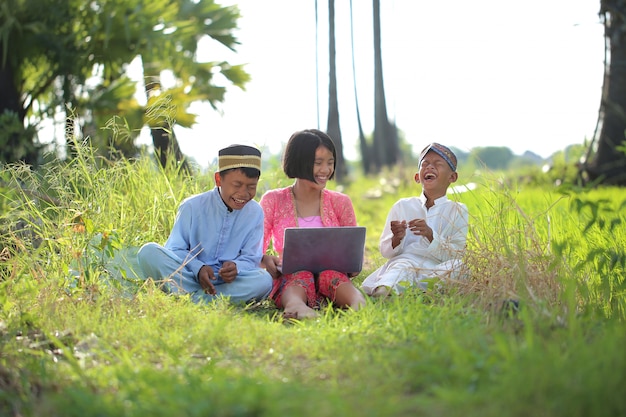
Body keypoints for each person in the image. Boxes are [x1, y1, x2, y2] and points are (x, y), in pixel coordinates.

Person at [137, 144, 273, 304]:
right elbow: (174, 249)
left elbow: (251, 258)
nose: (244, 193)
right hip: (189, 276)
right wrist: (198, 268)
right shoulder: (192, 206)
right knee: (148, 252)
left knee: (264, 280)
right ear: (218, 179)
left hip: (227, 283)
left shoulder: (255, 212)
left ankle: (192, 299)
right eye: (237, 185)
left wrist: (236, 267)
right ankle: (209, 300)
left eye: (251, 187)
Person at [260, 129, 366, 319]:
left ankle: (359, 305)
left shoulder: (340, 202)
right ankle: (295, 307)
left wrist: (351, 264)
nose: (325, 170)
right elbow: (255, 247)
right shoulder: (273, 200)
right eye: (318, 163)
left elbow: (353, 255)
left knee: (332, 274)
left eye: (330, 162)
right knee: (300, 275)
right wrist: (265, 259)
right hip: (291, 276)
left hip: (334, 275)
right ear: (299, 161)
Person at [360, 142, 469, 297]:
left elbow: (456, 254)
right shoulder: (403, 206)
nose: (430, 167)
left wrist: (431, 235)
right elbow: (385, 251)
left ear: (452, 177)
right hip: (406, 262)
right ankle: (386, 291)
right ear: (417, 177)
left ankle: (415, 291)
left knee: (460, 266)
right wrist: (397, 238)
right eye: (425, 164)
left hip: (437, 267)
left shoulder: (458, 210)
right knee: (400, 267)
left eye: (438, 164)